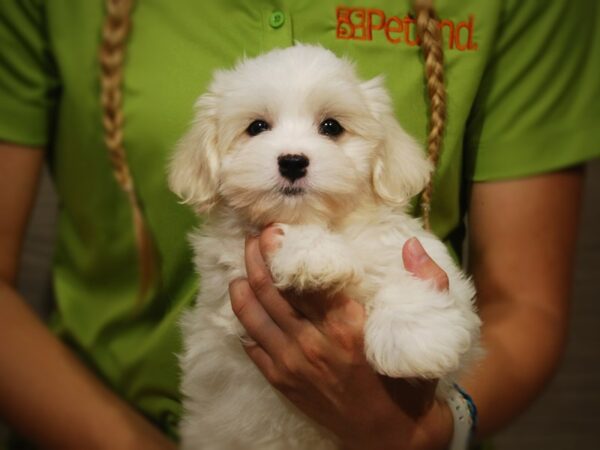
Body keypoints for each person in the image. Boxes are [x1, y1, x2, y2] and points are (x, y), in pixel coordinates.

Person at [0, 0, 598, 449]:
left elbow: (519, 305)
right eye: (256, 127)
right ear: (211, 153)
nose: (293, 152)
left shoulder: (394, 235)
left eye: (332, 128)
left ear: (379, 153)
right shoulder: (228, 246)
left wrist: (423, 426)